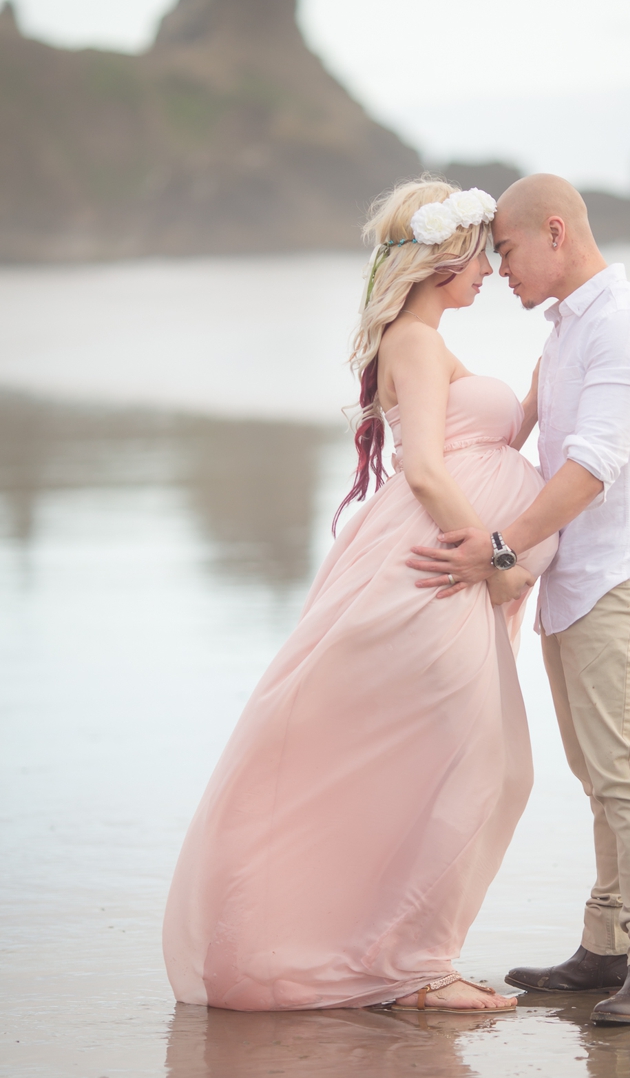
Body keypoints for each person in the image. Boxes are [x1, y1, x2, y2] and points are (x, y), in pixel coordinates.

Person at [162, 179, 557, 1014]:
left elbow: (478, 442)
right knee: (477, 763)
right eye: (479, 255)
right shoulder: (414, 339)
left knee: (488, 765)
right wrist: (496, 561)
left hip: (447, 571)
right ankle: (417, 968)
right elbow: (427, 470)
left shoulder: (428, 342)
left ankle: (408, 955)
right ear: (442, 257)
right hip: (437, 571)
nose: (489, 271)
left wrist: (548, 383)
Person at [408, 174, 630, 1025]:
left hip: (622, 577)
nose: (501, 270)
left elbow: (593, 468)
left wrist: (499, 548)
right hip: (575, 581)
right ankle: (606, 947)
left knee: (625, 773)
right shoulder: (569, 329)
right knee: (598, 774)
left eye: (508, 250)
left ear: (556, 232)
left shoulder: (626, 323)